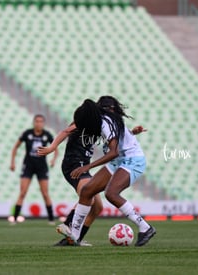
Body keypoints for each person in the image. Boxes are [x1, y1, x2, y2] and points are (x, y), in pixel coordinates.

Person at [58, 96, 156, 246]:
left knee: (111, 193)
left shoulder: (103, 122)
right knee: (86, 191)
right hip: (118, 161)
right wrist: (132, 132)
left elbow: (113, 152)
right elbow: (118, 137)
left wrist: (88, 167)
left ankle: (145, 227)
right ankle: (75, 236)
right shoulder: (105, 120)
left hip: (132, 160)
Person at [38, 114, 146, 246]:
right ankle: (67, 226)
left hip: (84, 167)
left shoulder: (98, 126)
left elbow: (112, 137)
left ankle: (74, 240)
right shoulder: (82, 123)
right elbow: (65, 131)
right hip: (73, 165)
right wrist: (52, 147)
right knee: (88, 195)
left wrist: (132, 132)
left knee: (97, 208)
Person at [10, 114, 58, 225]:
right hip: (28, 166)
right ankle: (15, 219)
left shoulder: (47, 135)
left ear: (44, 123)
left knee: (45, 193)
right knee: (22, 192)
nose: (38, 123)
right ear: (33, 122)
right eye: (37, 121)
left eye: (41, 121)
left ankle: (51, 219)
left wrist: (53, 160)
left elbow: (55, 149)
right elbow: (15, 147)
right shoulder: (27, 133)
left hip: (42, 167)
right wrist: (12, 162)